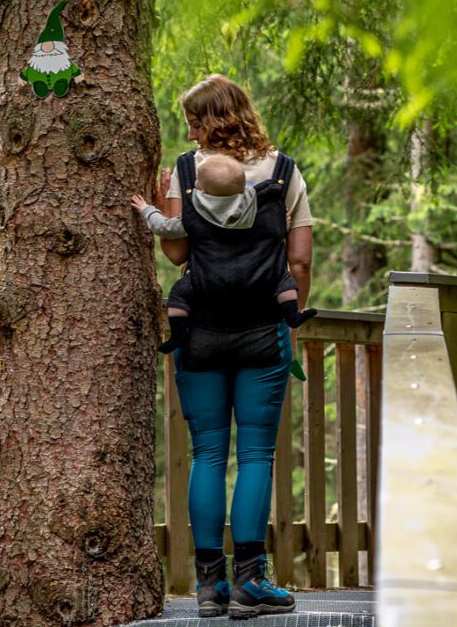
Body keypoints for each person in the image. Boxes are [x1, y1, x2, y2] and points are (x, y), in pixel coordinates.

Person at [130, 74, 315, 619]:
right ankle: (250, 584)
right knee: (256, 452)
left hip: (200, 332)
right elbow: (300, 260)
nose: (188, 130)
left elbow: (177, 253)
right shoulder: (285, 172)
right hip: (264, 331)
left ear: (210, 120)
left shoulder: (186, 173)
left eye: (192, 120)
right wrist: (292, 320)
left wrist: (166, 197)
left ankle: (209, 588)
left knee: (209, 452)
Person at [134, 152, 306, 355]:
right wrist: (284, 223)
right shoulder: (255, 205)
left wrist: (147, 209)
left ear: (203, 189)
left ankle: (178, 335)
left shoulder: (195, 212)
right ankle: (293, 315)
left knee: (179, 295)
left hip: (208, 282)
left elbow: (163, 227)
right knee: (283, 281)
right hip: (256, 289)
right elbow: (275, 232)